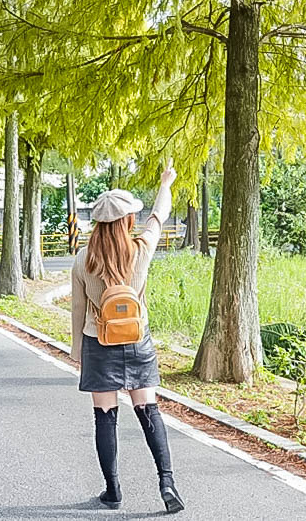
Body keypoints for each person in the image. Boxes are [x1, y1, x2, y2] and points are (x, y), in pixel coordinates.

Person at [70, 160, 185, 514]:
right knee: (148, 410)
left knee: (105, 416)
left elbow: (77, 309)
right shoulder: (141, 249)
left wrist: (77, 351)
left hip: (99, 341)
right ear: (127, 221)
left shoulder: (83, 259)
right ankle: (167, 482)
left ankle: (113, 491)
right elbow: (159, 214)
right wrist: (166, 181)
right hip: (137, 341)